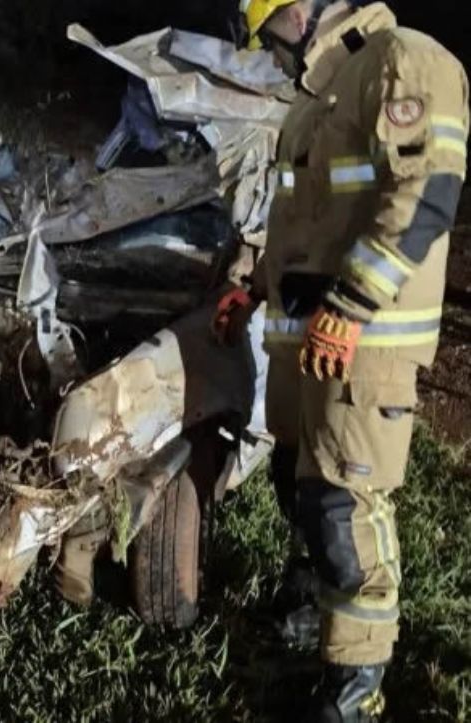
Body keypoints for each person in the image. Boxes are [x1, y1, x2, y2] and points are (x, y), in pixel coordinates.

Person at [213, 1, 468, 720]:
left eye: (268, 30)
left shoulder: (402, 59)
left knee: (343, 513)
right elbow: (302, 224)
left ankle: (354, 696)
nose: (268, 49)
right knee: (300, 492)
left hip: (364, 345)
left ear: (300, 9)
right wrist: (252, 287)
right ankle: (304, 632)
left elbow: (426, 191)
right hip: (306, 346)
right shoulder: (314, 101)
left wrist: (352, 306)